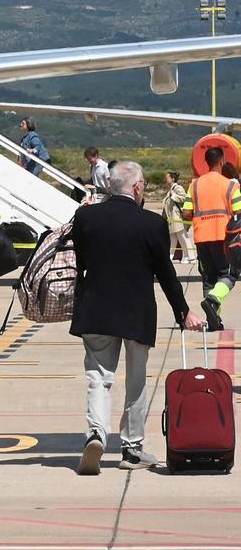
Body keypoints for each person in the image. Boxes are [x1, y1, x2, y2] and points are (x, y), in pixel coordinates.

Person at [70, 161, 206, 474]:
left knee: (98, 377)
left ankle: (96, 434)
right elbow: (166, 273)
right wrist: (183, 312)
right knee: (136, 382)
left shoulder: (86, 216)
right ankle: (131, 450)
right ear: (138, 187)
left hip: (97, 309)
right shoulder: (151, 224)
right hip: (136, 312)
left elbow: (82, 259)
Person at [182, 146, 241, 331]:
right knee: (229, 276)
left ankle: (214, 319)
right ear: (222, 161)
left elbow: (185, 213)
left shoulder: (194, 185)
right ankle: (213, 300)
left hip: (201, 238)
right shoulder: (231, 185)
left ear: (205, 162)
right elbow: (238, 212)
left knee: (208, 278)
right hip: (224, 238)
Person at [163, 171, 195, 263]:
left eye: (167, 177)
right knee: (172, 238)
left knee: (183, 237)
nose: (166, 179)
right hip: (172, 218)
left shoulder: (177, 188)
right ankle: (170, 256)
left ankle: (189, 256)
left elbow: (184, 197)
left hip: (177, 217)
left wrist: (174, 195)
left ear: (172, 179)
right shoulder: (171, 189)